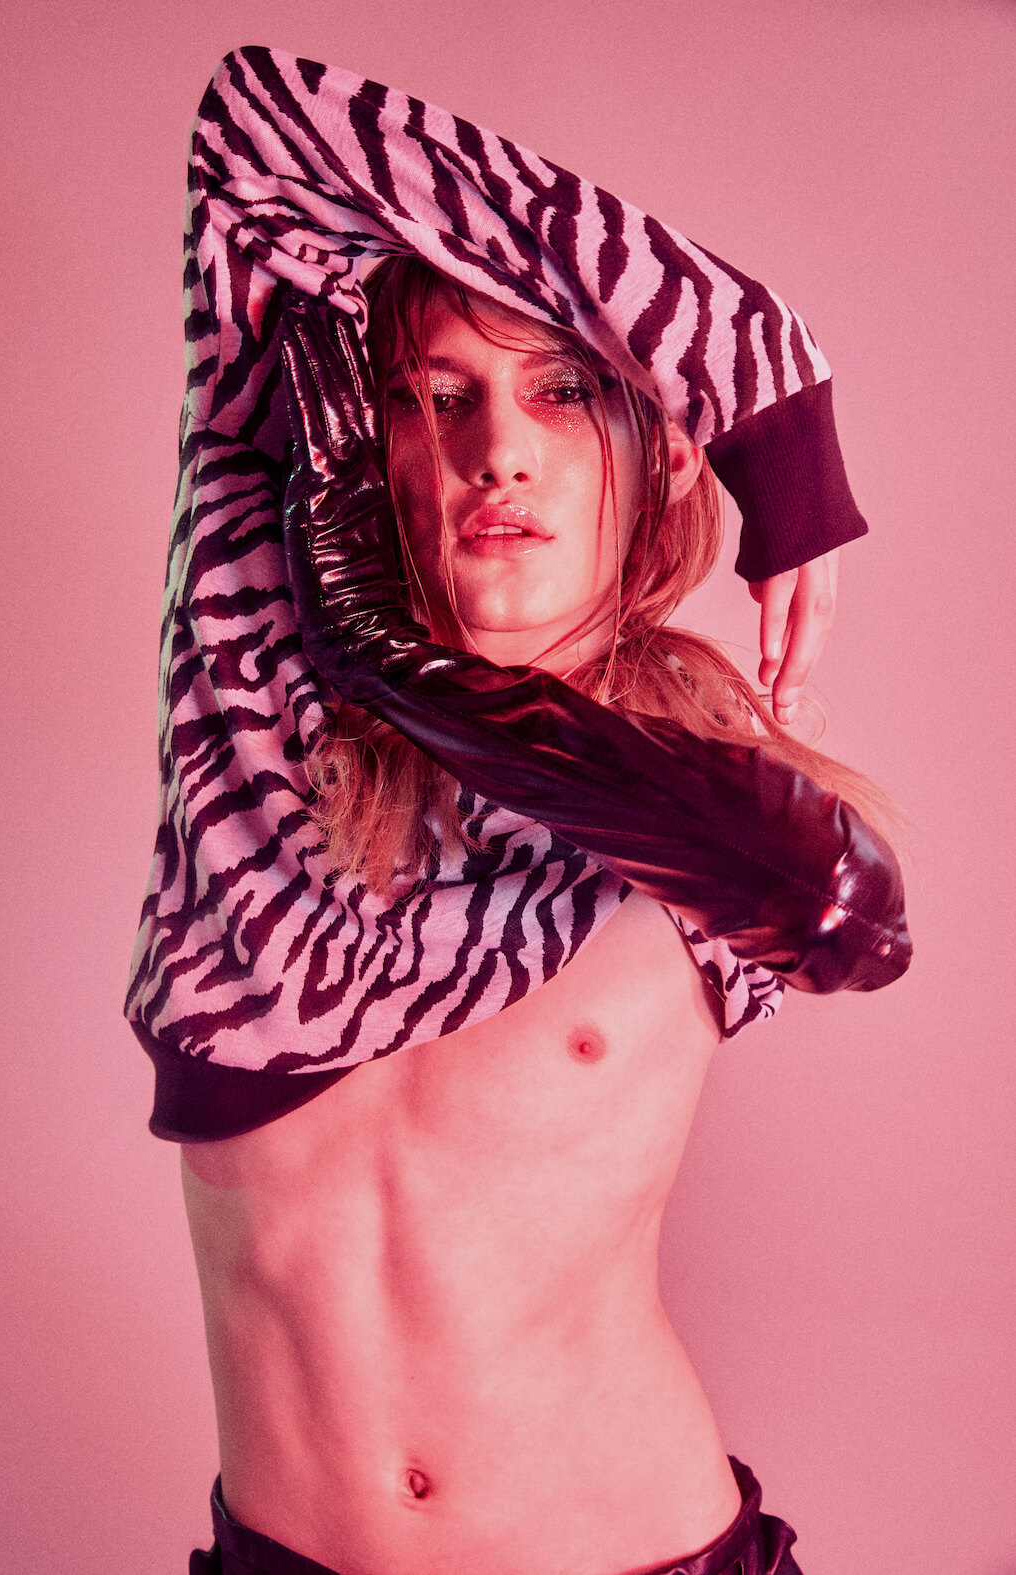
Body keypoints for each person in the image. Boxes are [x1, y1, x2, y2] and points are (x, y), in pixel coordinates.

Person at [126, 47, 911, 1575]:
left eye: (564, 391)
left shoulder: (708, 789)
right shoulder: (248, 733)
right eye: (440, 398)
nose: (499, 451)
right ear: (369, 449)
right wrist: (363, 646)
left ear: (656, 446)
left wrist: (755, 385)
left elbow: (846, 922)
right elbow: (254, 125)